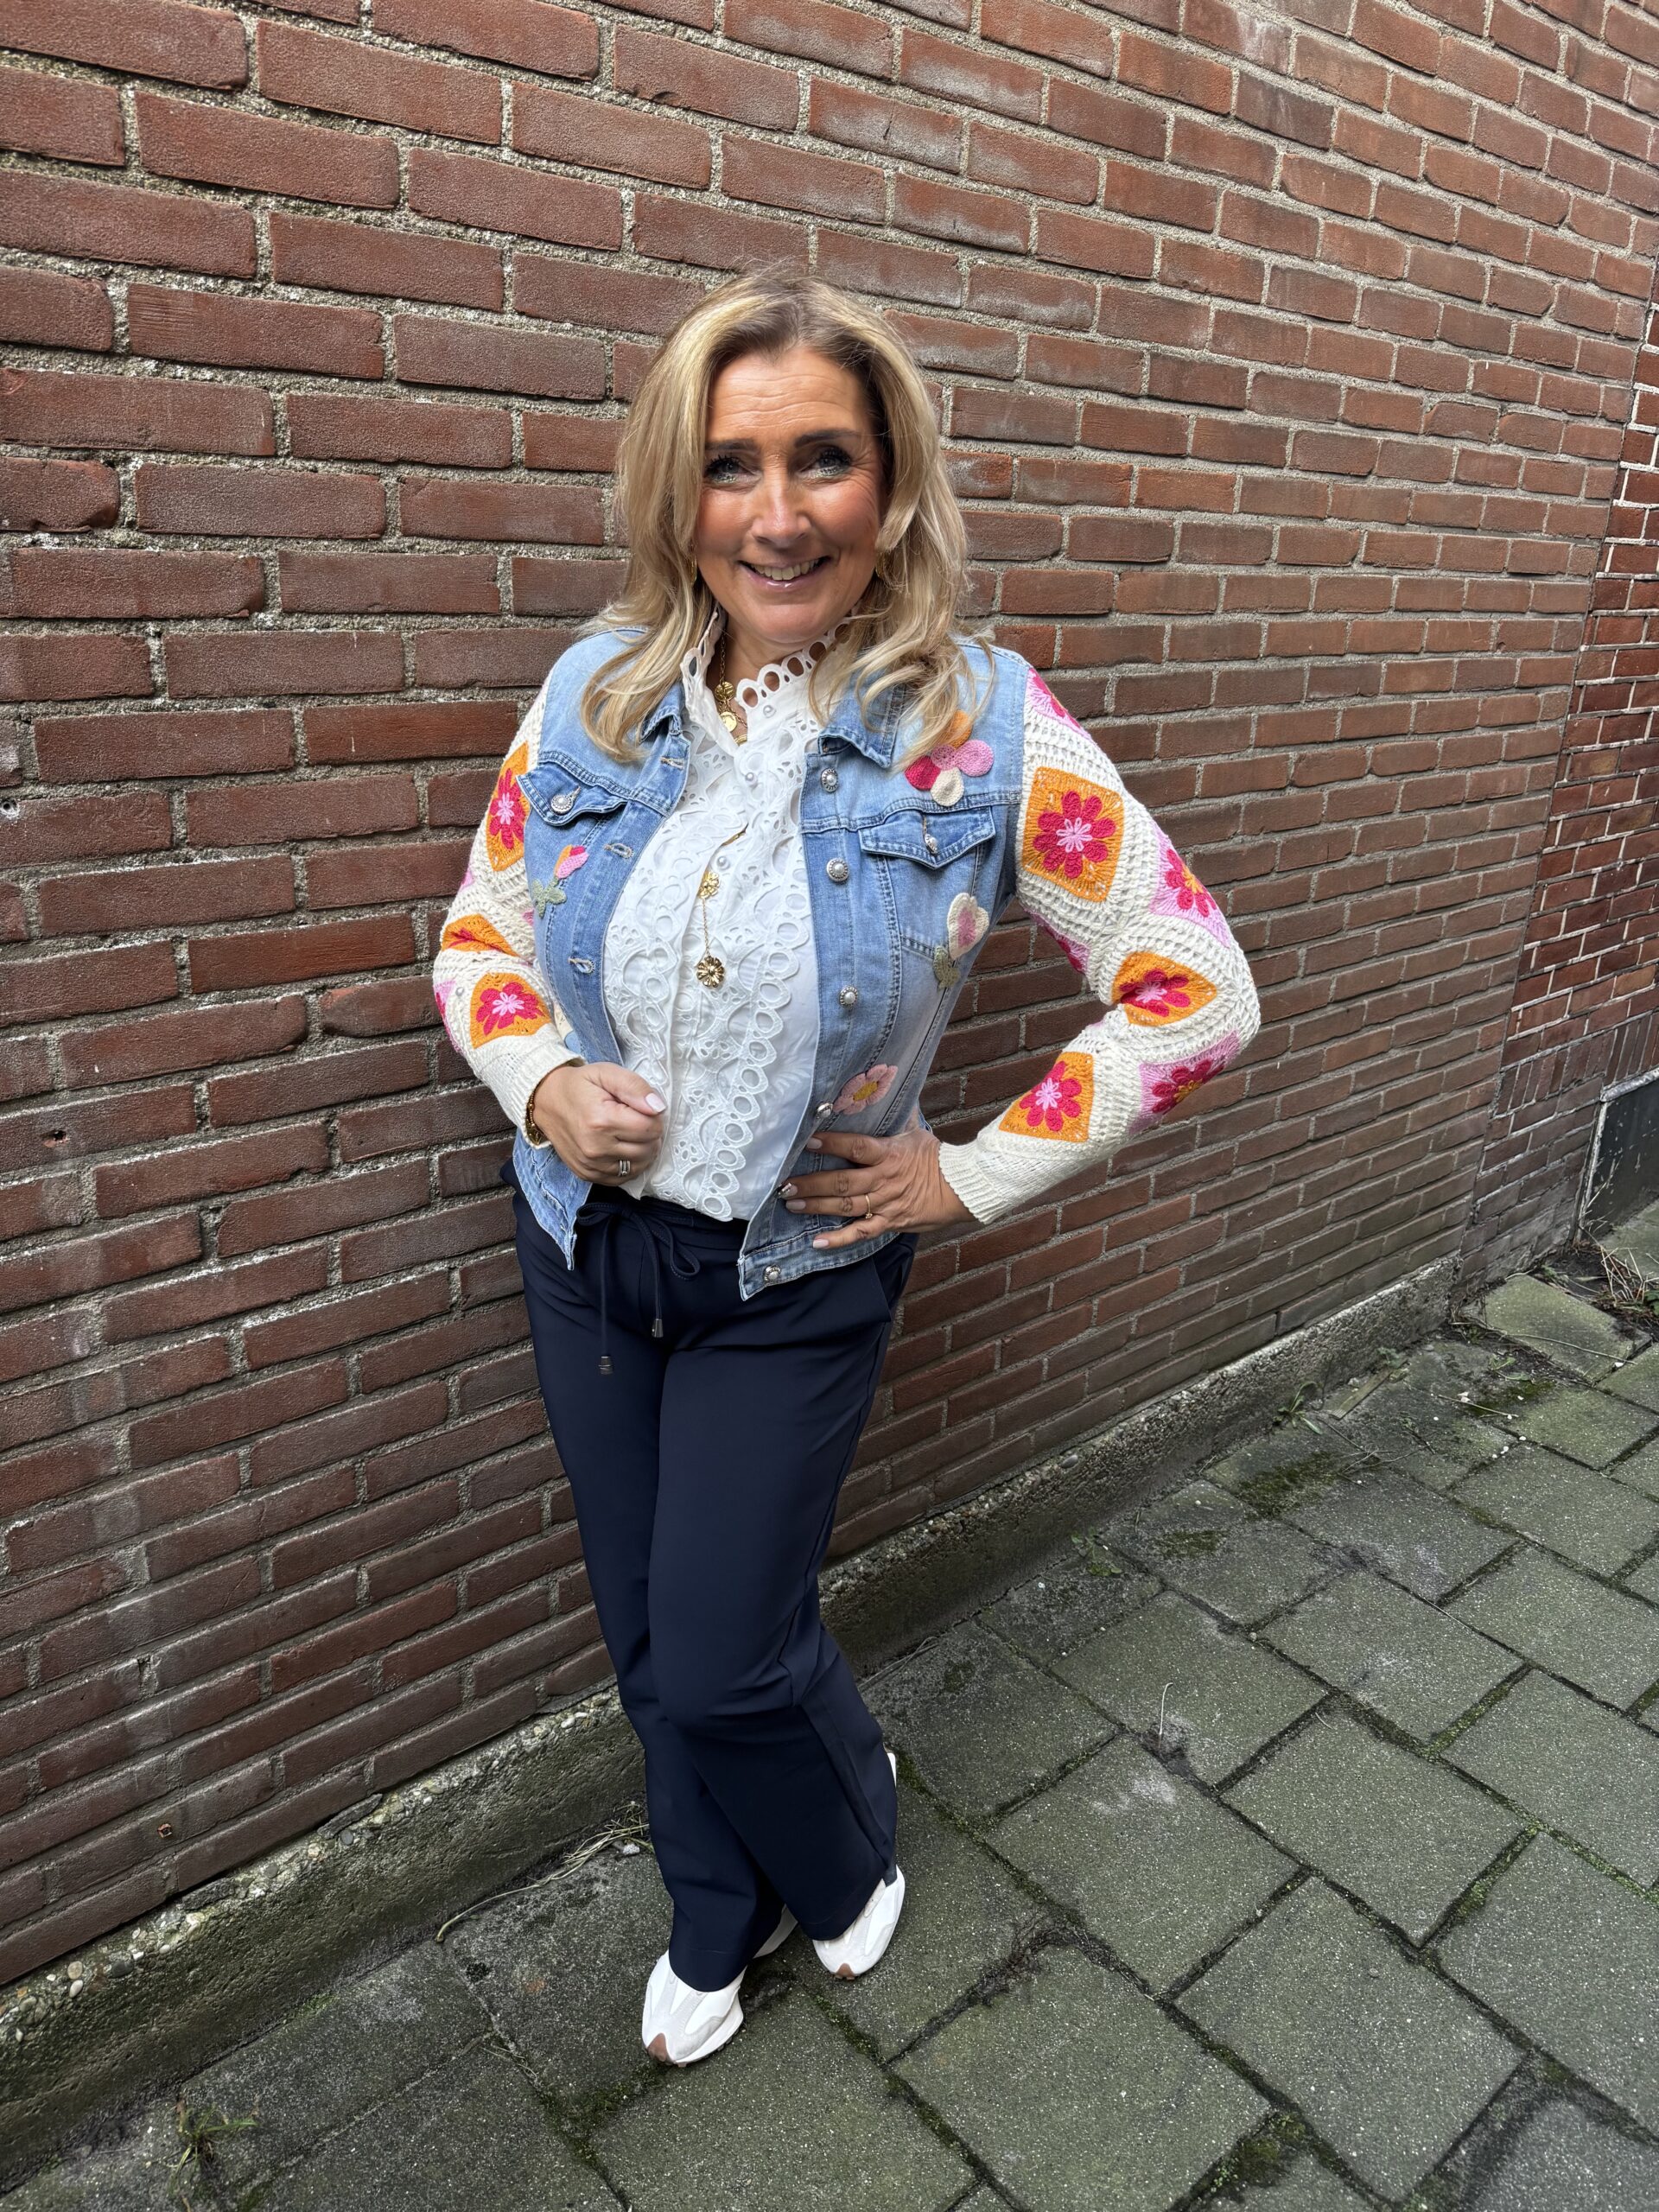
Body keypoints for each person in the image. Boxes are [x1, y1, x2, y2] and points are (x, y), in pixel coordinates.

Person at [432, 269, 1259, 2067]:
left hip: (793, 1274)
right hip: (584, 1248)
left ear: (890, 487)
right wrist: (540, 1077)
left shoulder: (988, 729)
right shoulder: (594, 696)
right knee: (649, 1632)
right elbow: (479, 931)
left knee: (730, 1648)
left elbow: (1197, 989)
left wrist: (966, 1175)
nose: (778, 512)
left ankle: (846, 1835)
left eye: (824, 458)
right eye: (730, 465)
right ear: (678, 490)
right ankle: (712, 1908)